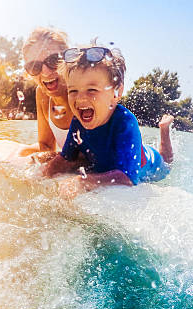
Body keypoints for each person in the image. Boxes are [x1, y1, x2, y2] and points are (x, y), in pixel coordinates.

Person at [41, 45, 174, 199]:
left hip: (152, 163)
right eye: (73, 91)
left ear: (116, 93)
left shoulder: (125, 122)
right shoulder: (77, 121)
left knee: (167, 161)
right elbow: (66, 158)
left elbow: (128, 178)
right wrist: (43, 174)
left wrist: (85, 181)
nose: (80, 98)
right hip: (124, 153)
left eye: (91, 90)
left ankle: (164, 129)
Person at [19, 27, 74, 160]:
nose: (45, 72)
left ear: (68, 59)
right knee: (24, 153)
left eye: (54, 60)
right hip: (66, 155)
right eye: (34, 66)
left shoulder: (82, 91)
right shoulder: (42, 95)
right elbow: (46, 145)